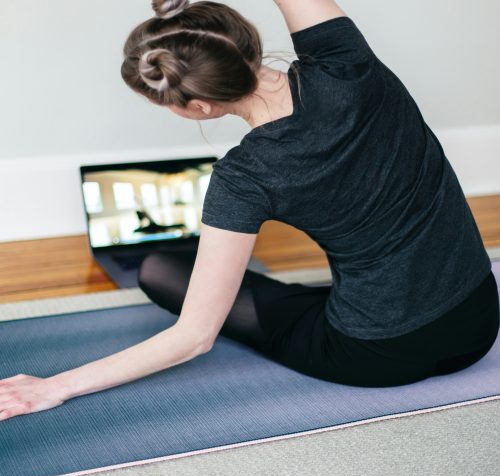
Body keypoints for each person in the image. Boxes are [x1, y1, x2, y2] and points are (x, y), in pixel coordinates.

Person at [1, 0, 498, 421]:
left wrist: (53, 387)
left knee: (160, 269)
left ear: (198, 107)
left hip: (376, 356)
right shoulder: (348, 61)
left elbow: (194, 337)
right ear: (243, 40)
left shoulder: (244, 177)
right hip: (478, 322)